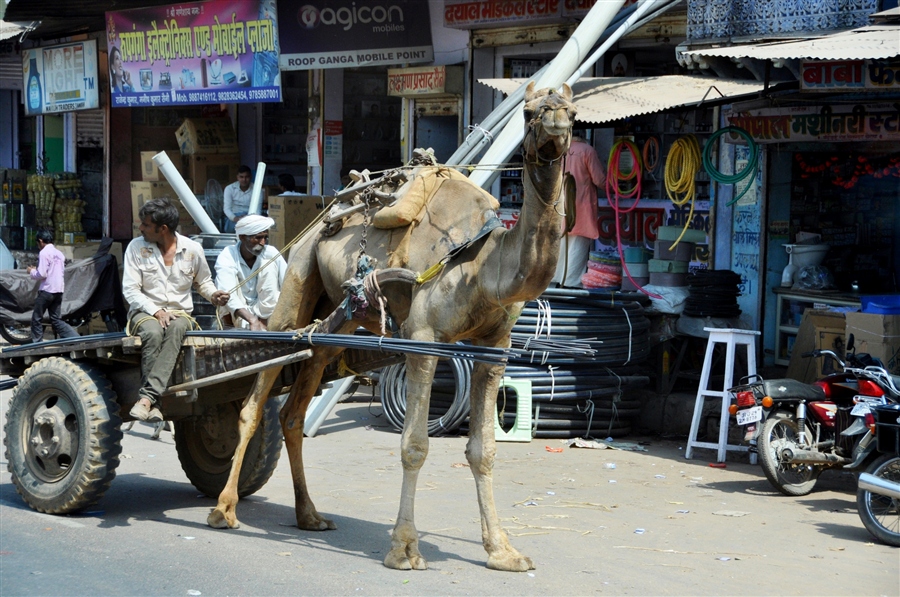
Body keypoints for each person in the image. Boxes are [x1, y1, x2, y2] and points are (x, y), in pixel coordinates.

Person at [123, 198, 229, 422]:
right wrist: (156, 311)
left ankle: (147, 399)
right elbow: (130, 290)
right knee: (153, 332)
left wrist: (214, 295)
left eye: (146, 225)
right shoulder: (135, 247)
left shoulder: (193, 249)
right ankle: (154, 401)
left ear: (162, 229)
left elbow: (203, 282)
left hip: (179, 314)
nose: (141, 228)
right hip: (144, 312)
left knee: (176, 327)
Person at [551, 131, 606, 288]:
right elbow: (599, 179)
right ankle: (571, 284)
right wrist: (615, 187)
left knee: (561, 246)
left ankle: (557, 281)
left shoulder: (559, 151)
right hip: (581, 206)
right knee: (578, 246)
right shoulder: (587, 151)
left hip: (560, 205)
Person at [214, 215, 287, 331]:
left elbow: (286, 284)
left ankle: (264, 324)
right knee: (222, 293)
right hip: (238, 313)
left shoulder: (271, 253)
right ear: (242, 237)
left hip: (266, 313)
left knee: (269, 266)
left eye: (265, 238)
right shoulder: (228, 255)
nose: (263, 243)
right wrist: (252, 320)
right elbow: (226, 292)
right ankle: (228, 328)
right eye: (258, 238)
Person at [27, 230, 80, 344]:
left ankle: (37, 344)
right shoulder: (59, 254)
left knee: (36, 318)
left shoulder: (44, 253)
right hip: (58, 291)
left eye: (38, 243)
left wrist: (31, 271)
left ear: (41, 241)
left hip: (47, 290)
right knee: (56, 319)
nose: (38, 246)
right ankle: (75, 338)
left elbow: (42, 274)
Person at [223, 165, 254, 233]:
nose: (244, 180)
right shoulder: (229, 188)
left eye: (247, 177)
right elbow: (227, 209)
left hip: (250, 217)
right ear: (237, 177)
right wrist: (236, 218)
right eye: (241, 177)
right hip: (234, 217)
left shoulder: (256, 189)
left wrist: (248, 218)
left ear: (250, 177)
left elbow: (258, 209)